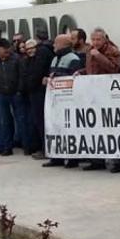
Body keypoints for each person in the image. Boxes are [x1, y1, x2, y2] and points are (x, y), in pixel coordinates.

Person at [80, 27, 120, 171]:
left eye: (98, 39)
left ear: (104, 39)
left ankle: (119, 162)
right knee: (95, 126)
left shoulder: (113, 51)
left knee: (113, 127)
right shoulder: (89, 50)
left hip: (110, 94)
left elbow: (114, 68)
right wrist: (80, 72)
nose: (95, 42)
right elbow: (89, 69)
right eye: (93, 39)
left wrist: (98, 55)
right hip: (94, 94)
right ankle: (97, 160)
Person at [42, 34, 83, 169]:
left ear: (63, 45)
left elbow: (74, 78)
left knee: (69, 129)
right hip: (55, 101)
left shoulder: (73, 59)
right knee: (55, 128)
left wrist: (57, 77)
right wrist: (48, 79)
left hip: (68, 100)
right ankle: (56, 157)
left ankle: (72, 158)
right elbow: (52, 74)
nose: (53, 46)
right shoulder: (54, 59)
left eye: (55, 43)